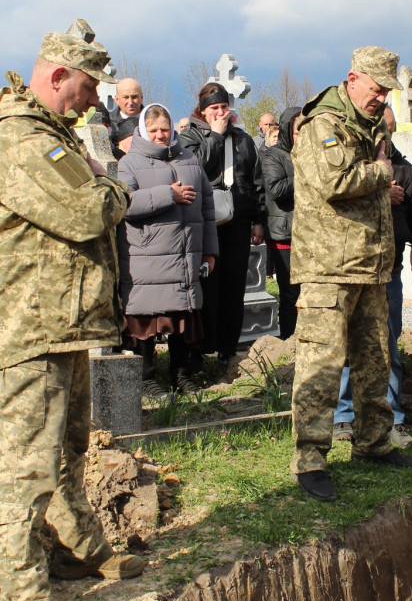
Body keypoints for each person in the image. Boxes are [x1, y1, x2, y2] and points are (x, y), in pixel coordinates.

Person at [0, 20, 143, 601]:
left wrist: (101, 182)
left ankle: (80, 548)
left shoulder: (51, 135)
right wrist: (114, 184)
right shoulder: (23, 141)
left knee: (70, 447)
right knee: (27, 465)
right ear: (58, 76)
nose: (97, 100)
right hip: (33, 325)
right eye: (90, 87)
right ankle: (24, 594)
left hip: (65, 320)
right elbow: (86, 210)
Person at [289, 46, 412, 502]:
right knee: (322, 365)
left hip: (368, 265)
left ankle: (374, 443)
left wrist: (383, 183)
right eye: (376, 88)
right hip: (329, 268)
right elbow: (334, 182)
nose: (382, 97)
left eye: (387, 91)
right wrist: (382, 174)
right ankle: (310, 460)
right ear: (352, 78)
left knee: (374, 362)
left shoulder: (370, 126)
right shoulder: (323, 124)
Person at [334, 105, 412, 449]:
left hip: (388, 272)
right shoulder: (352, 167)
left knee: (388, 345)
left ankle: (391, 417)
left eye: (389, 129)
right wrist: (380, 194)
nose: (384, 135)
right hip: (353, 268)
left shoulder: (407, 173)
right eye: (379, 128)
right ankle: (343, 416)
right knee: (349, 345)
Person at [117, 103, 216, 388]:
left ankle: (181, 375)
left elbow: (207, 208)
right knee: (146, 321)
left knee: (182, 318)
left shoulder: (189, 159)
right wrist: (166, 195)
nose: (160, 135)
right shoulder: (130, 162)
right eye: (154, 130)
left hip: (185, 256)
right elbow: (124, 204)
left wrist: (209, 250)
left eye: (165, 129)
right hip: (148, 257)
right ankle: (147, 378)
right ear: (143, 132)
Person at [180, 83, 265, 367]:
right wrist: (214, 137)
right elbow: (196, 170)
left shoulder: (242, 139)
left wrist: (257, 220)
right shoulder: (190, 137)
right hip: (205, 224)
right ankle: (199, 351)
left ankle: (228, 350)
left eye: (224, 108)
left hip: (238, 223)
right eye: (214, 108)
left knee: (233, 287)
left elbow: (256, 182)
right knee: (206, 288)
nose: (220, 113)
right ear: (203, 111)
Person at [259, 106, 300, 339]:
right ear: (286, 130)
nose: (301, 135)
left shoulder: (310, 154)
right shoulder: (272, 155)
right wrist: (304, 172)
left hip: (310, 234)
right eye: (297, 131)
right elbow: (275, 189)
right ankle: (288, 343)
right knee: (290, 294)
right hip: (284, 232)